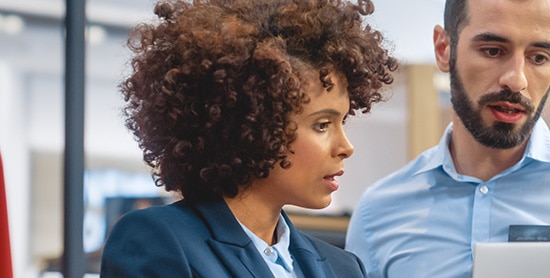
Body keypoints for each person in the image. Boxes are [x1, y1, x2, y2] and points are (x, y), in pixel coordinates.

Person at [344, 0, 550, 277]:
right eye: (492, 50)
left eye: (539, 57)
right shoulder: (378, 213)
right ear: (444, 49)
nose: (516, 80)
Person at [100, 0, 397, 277]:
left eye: (342, 122)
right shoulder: (158, 241)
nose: (346, 147)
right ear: (253, 125)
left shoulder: (343, 267)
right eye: (322, 125)